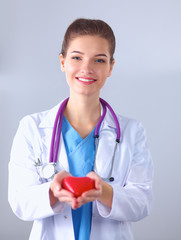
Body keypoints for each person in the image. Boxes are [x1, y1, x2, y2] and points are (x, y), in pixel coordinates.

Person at [8, 18, 153, 240]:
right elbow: (19, 202)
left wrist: (105, 192)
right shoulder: (32, 128)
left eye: (99, 60)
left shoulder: (132, 131)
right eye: (76, 57)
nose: (86, 68)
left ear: (110, 67)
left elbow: (142, 203)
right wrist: (52, 192)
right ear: (62, 62)